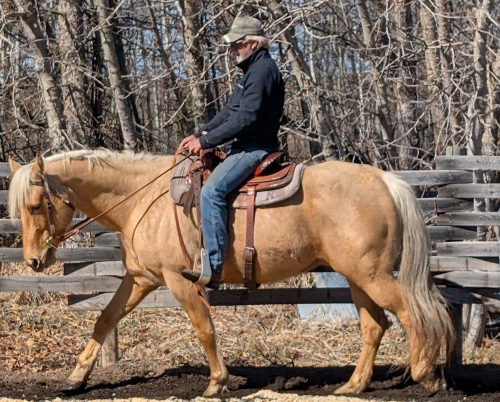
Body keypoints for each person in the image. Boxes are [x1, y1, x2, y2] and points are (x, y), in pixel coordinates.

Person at [178, 16, 285, 289]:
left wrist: (206, 142)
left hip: (254, 148)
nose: (232, 51)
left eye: (235, 46)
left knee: (211, 192)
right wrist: (201, 134)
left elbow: (246, 118)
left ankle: (213, 268)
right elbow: (230, 112)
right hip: (245, 145)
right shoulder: (251, 72)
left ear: (250, 43)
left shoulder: (262, 72)